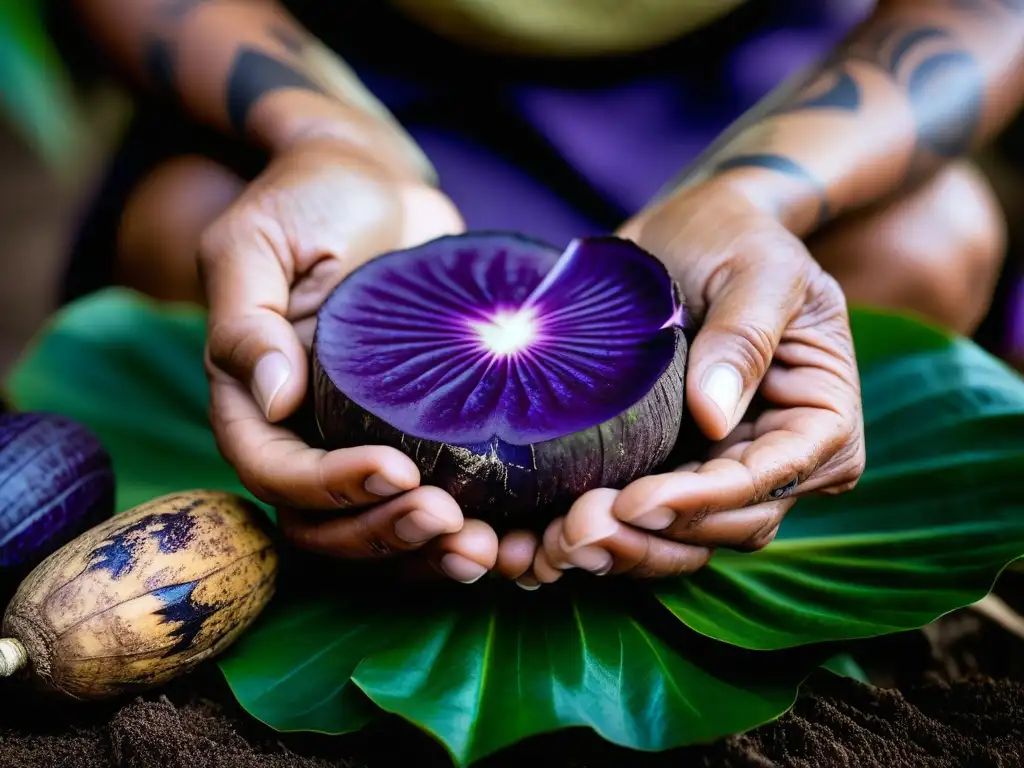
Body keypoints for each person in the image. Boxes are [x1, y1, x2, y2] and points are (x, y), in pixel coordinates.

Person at [57, 0, 1021, 588]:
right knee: (187, 220)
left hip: (757, 101)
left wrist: (754, 192)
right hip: (356, 89)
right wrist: (325, 138)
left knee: (931, 241)